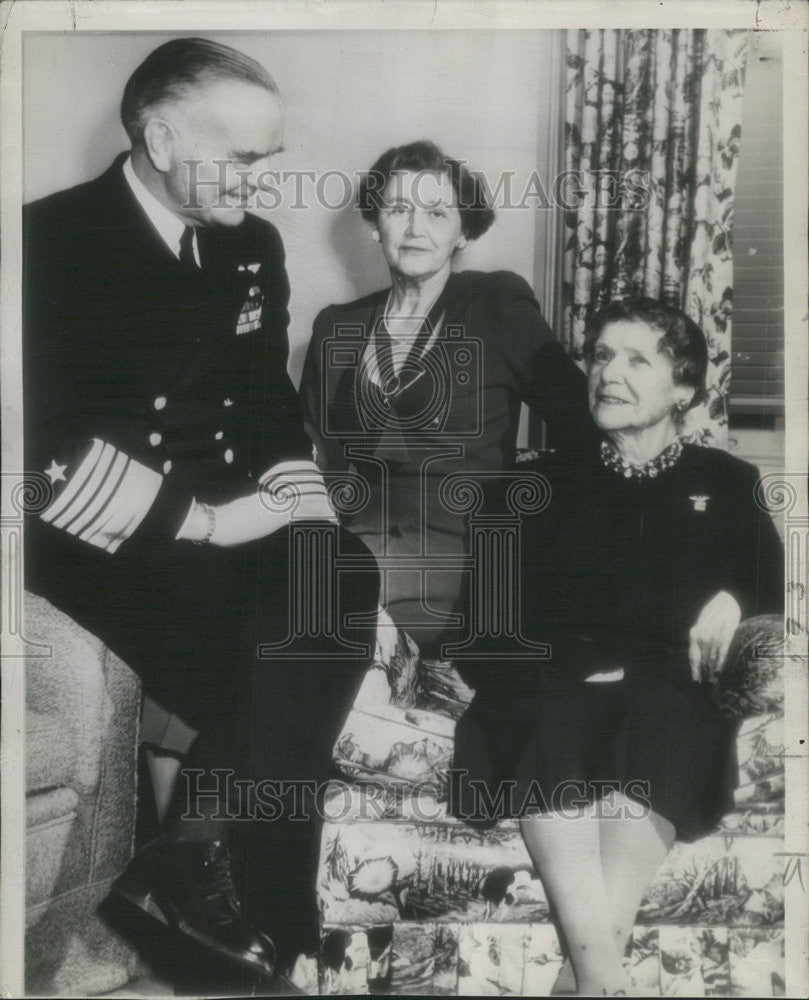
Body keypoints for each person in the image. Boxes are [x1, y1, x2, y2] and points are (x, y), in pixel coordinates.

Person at [23, 37, 379, 984]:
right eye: (241, 159)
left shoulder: (248, 246)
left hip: (223, 533)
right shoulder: (46, 241)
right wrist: (213, 523)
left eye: (269, 158)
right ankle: (275, 932)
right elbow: (41, 452)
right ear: (160, 133)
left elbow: (268, 410)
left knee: (336, 574)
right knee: (287, 665)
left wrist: (303, 522)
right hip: (105, 544)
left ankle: (200, 859)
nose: (261, 183)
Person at [451, 298, 784, 996]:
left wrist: (734, 601)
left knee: (662, 718)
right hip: (545, 685)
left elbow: (769, 607)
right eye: (600, 355)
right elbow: (479, 633)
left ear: (684, 387)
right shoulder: (529, 484)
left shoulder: (727, 484)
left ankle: (586, 981)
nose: (609, 372)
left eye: (637, 359)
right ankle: (601, 980)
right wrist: (565, 667)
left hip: (667, 697)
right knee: (559, 715)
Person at [300, 140, 596, 657]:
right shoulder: (336, 326)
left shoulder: (496, 305)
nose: (416, 228)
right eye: (398, 210)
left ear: (463, 233)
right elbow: (311, 454)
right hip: (352, 548)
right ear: (374, 225)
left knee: (324, 632)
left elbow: (589, 425)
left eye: (438, 213)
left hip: (461, 563)